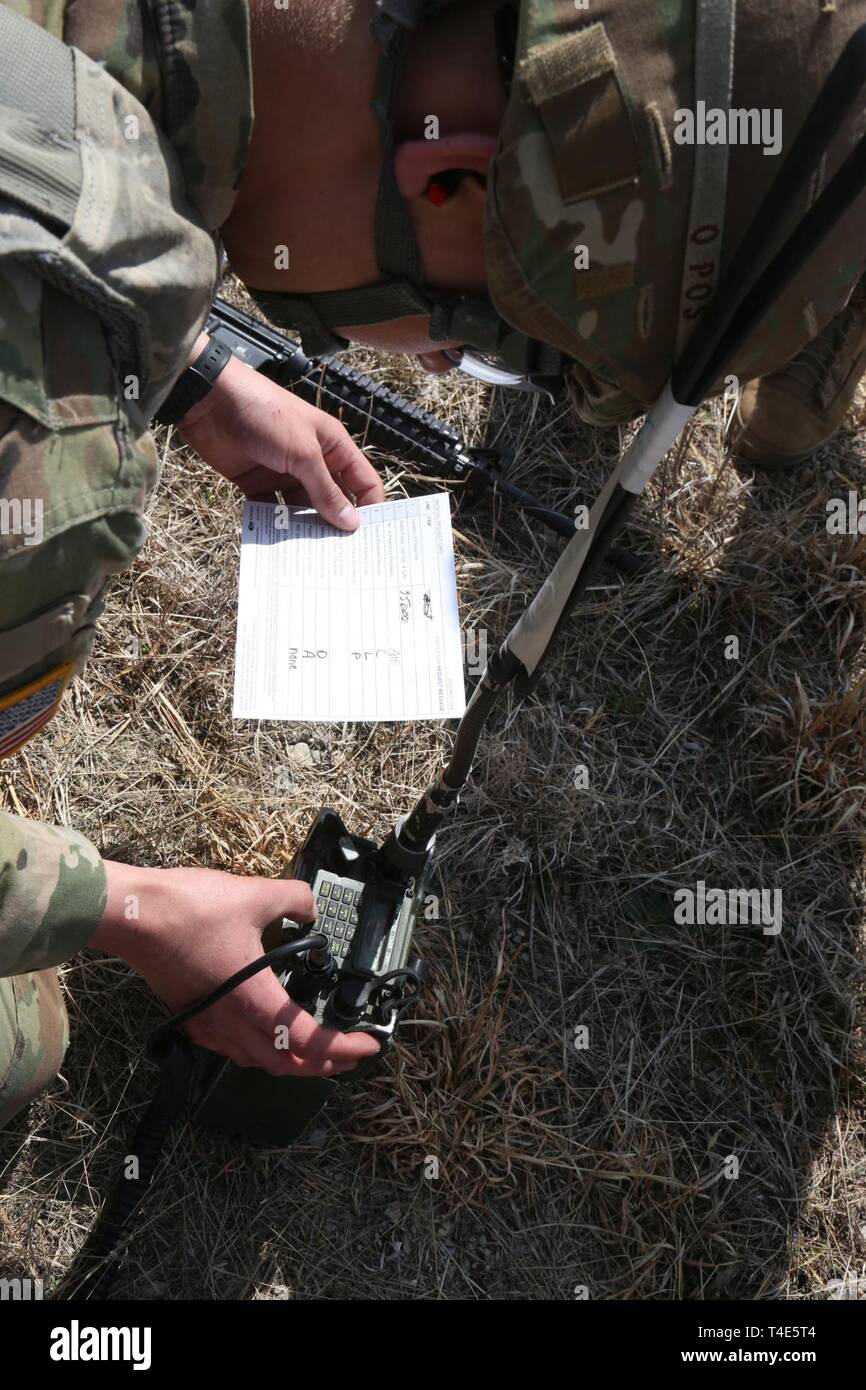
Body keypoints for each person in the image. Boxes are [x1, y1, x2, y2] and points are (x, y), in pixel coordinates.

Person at [2, 0, 865, 1128]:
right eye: (484, 342)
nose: (445, 356)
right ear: (445, 177)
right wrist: (119, 907)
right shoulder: (45, 450)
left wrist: (188, 364)